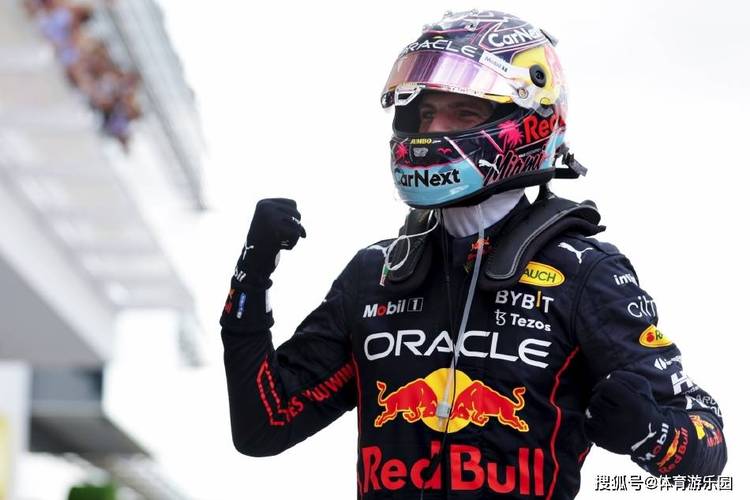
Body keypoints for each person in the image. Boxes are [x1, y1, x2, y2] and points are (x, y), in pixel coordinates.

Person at [220, 10, 727, 499]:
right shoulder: (375, 273)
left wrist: (651, 431)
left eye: (464, 112)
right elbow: (265, 426)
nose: (434, 130)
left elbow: (708, 444)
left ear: (527, 121)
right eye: (426, 112)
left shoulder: (584, 272)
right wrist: (251, 280)